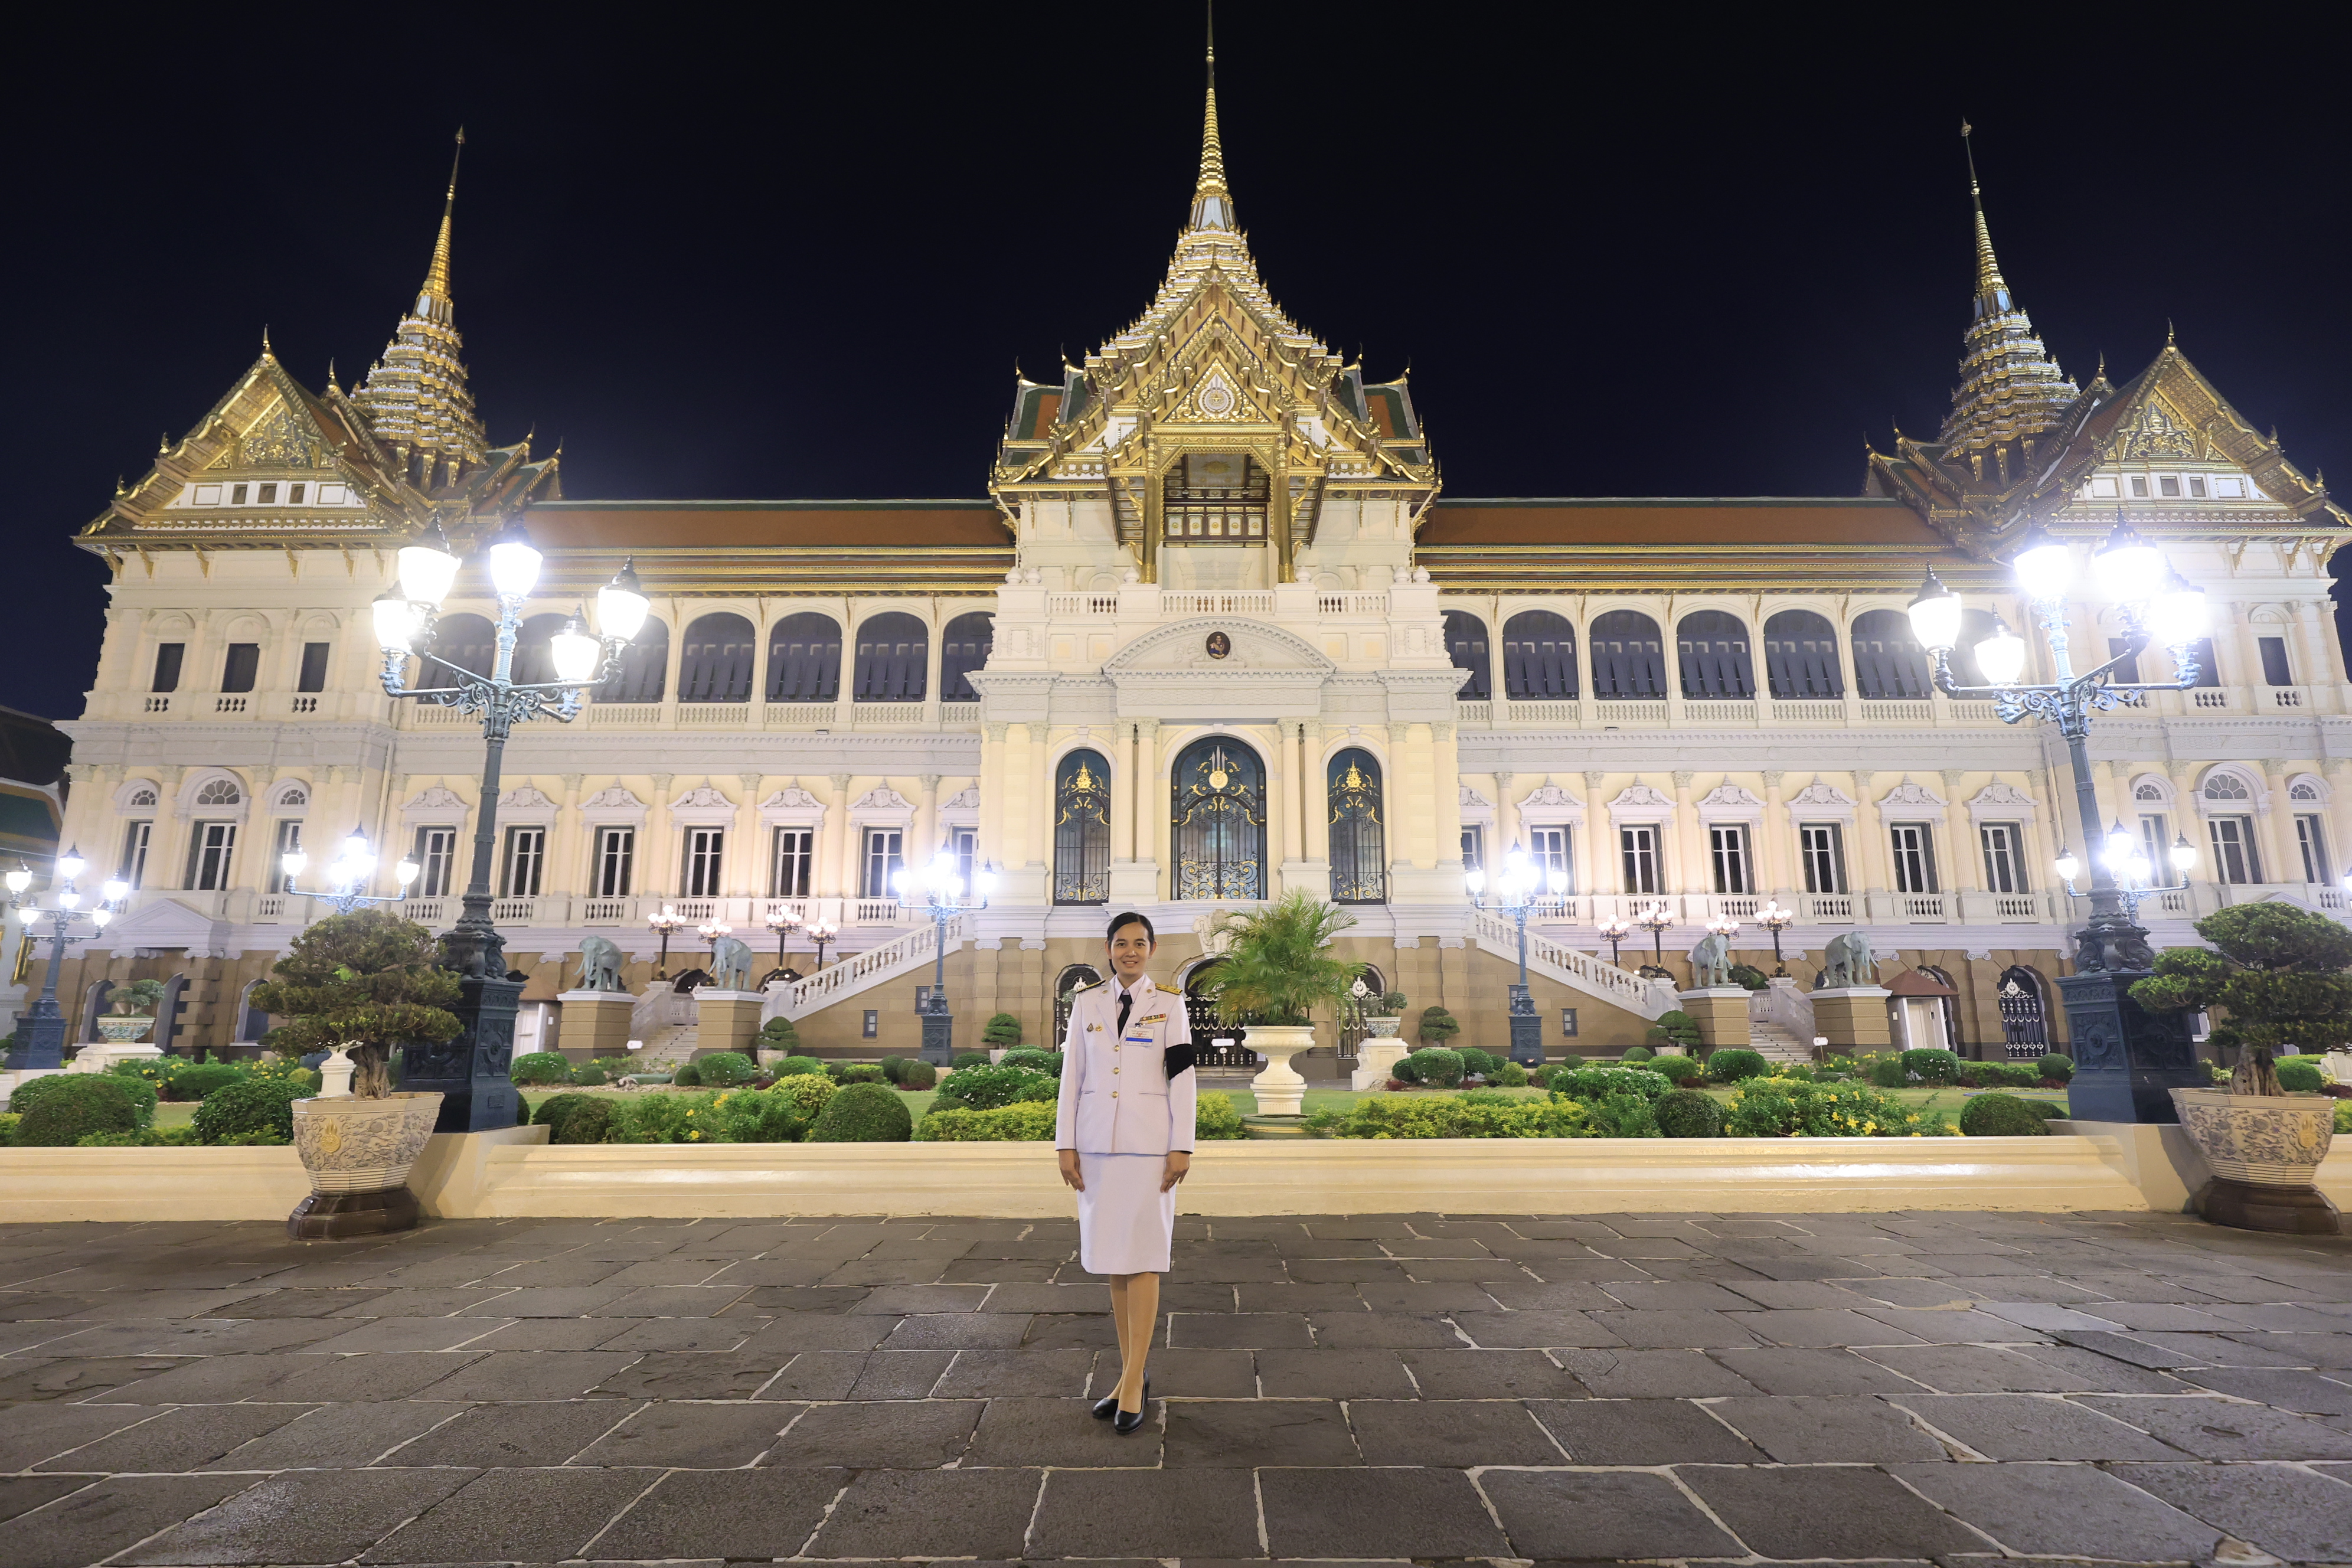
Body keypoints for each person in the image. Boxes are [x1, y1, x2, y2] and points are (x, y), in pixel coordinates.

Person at [1055, 910, 1195, 1433]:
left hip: (1149, 1148)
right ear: (1108, 949)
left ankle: (1133, 1380)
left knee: (1144, 1260)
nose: (1129, 952)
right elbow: (1073, 1077)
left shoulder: (1171, 1006)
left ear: (1152, 950)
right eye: (1121, 944)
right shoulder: (1087, 1002)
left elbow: (1182, 1080)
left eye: (1139, 943)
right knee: (1114, 1261)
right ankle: (1128, 1375)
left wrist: (1182, 1146)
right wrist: (1064, 1144)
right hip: (1095, 1148)